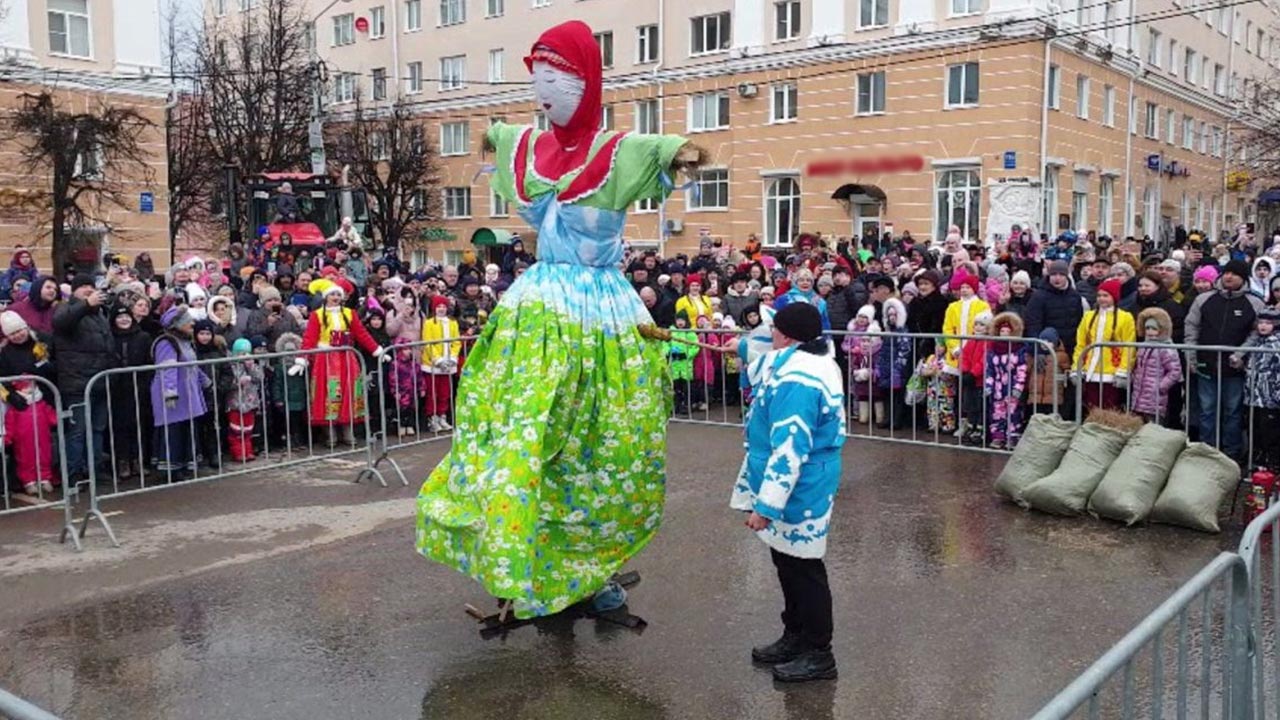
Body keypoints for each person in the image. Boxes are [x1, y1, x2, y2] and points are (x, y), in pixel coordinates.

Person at [416, 20, 705, 620]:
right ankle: (524, 560)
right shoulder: (532, 147)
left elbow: (672, 149)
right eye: (538, 81)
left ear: (587, 83)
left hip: (602, 313)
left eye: (556, 80)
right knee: (522, 435)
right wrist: (490, 137)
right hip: (540, 306)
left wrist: (684, 152)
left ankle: (587, 567)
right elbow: (503, 133)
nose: (543, 93)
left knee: (600, 445)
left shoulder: (618, 152)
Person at [730, 302, 844, 683]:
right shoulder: (805, 357)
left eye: (774, 330)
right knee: (786, 561)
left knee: (804, 567)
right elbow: (765, 357)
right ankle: (795, 634)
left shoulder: (799, 380)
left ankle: (819, 652)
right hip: (795, 485)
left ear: (787, 336)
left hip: (801, 486)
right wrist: (741, 347)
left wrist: (766, 507)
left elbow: (790, 449)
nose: (770, 335)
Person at [1187, 260, 1266, 461]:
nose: (1229, 277)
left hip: (1235, 368)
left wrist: (1241, 354)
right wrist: (1191, 355)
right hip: (1206, 364)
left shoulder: (1255, 302)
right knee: (1207, 409)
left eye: (1235, 273)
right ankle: (1206, 451)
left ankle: (1231, 453)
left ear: (1244, 278)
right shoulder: (1204, 299)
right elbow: (1192, 327)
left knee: (1233, 411)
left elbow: (1257, 332)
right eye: (1226, 272)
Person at [296, 280, 387, 446]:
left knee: (349, 393)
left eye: (338, 294)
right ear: (326, 297)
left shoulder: (350, 313)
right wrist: (303, 358)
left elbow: (361, 334)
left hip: (347, 359)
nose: (336, 297)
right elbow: (310, 338)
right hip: (326, 360)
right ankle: (330, 432)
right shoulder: (317, 315)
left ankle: (347, 429)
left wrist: (377, 350)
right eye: (332, 294)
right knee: (329, 394)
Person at [53, 275, 119, 482]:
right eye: (83, 286)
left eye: (91, 286)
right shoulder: (65, 308)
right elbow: (62, 323)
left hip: (99, 381)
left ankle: (94, 471)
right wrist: (85, 305)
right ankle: (73, 475)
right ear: (74, 291)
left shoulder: (99, 314)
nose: (89, 289)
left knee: (97, 430)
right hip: (77, 384)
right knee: (78, 431)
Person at [150, 306, 212, 478]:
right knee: (174, 430)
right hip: (174, 394)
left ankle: (185, 464)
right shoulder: (166, 342)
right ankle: (172, 468)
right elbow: (167, 368)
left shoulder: (185, 342)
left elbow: (192, 365)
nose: (192, 324)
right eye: (187, 321)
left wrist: (204, 380)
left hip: (188, 392)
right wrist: (170, 391)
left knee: (185, 429)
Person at [1073, 278, 1136, 413]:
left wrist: (1123, 370)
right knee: (1091, 407)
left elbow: (1129, 347)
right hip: (1090, 371)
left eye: (1105, 295)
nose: (1101, 299)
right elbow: (1081, 344)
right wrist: (1076, 367)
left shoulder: (1125, 317)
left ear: (1114, 297)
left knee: (1110, 408)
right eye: (1099, 295)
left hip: (1112, 372)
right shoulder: (1089, 316)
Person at [1240, 308, 1280, 471]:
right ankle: (1257, 457)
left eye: (1268, 323)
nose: (1263, 326)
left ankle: (1273, 461)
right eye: (1261, 322)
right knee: (1253, 428)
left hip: (1270, 398)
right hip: (1253, 396)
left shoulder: (1276, 344)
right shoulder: (1256, 342)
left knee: (1270, 431)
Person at [1128, 308, 1182, 424]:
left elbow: (1175, 371)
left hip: (1155, 397)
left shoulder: (1166, 348)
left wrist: (1161, 386)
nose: (1150, 332)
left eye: (1154, 328)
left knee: (1154, 425)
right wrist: (1134, 378)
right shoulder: (1143, 346)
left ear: (1162, 329)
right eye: (1147, 328)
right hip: (1139, 394)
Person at [984, 312, 1029, 450]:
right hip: (997, 388)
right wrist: (988, 385)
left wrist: (1018, 387)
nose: (1004, 334)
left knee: (1013, 412)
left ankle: (1012, 437)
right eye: (1002, 331)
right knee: (997, 412)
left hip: (1012, 386)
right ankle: (998, 437)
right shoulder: (993, 350)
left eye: (1007, 331)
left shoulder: (1019, 350)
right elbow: (989, 369)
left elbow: (1022, 370)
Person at [1024, 261, 1086, 357]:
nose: (1057, 278)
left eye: (1061, 275)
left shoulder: (1075, 296)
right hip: (1047, 348)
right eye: (1054, 274)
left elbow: (1079, 321)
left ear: (1066, 276)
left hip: (1070, 348)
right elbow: (1033, 324)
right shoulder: (1038, 296)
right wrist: (1038, 349)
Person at [420, 295, 461, 432]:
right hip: (433, 364)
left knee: (445, 392)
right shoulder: (429, 323)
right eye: (439, 306)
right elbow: (428, 343)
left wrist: (453, 357)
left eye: (444, 306)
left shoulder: (452, 323)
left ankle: (442, 415)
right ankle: (432, 417)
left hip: (449, 362)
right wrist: (438, 360)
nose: (441, 309)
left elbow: (456, 341)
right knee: (432, 393)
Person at [222, 338, 264, 462]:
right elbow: (227, 383)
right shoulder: (231, 365)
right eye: (241, 353)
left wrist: (251, 367)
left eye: (246, 353)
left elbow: (260, 377)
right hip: (235, 402)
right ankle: (238, 452)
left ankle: (248, 451)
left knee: (248, 429)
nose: (244, 356)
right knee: (236, 430)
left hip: (250, 402)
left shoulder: (251, 365)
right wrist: (238, 383)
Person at [9, 276, 59, 341]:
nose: (52, 290)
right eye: (48, 287)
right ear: (37, 288)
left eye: (55, 289)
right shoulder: (16, 309)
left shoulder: (55, 310)